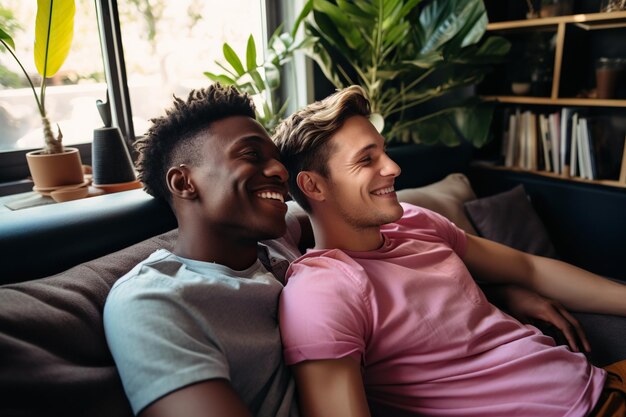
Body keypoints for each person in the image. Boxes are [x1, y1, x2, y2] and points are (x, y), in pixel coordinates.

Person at [273, 85, 626, 417]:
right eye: (367, 160)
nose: (393, 168)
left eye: (384, 150)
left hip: (601, 382)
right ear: (313, 186)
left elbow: (527, 268)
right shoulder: (322, 292)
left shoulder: (414, 221)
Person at [103, 84, 305, 417]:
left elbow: (355, 209)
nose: (281, 172)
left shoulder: (274, 239)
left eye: (278, 160)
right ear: (184, 183)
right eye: (252, 155)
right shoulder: (153, 299)